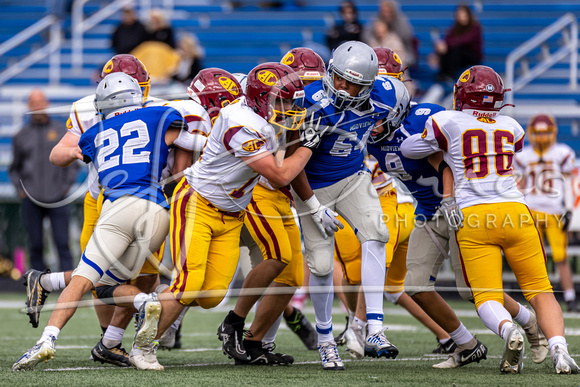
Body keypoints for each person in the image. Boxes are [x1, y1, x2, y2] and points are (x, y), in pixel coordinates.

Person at [131, 62, 320, 371]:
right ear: (261, 99)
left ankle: (156, 304)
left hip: (231, 214)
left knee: (211, 296)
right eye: (281, 101)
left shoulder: (263, 115)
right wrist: (308, 146)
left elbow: (276, 176)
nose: (289, 107)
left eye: (290, 100)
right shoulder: (240, 121)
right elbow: (279, 176)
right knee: (190, 284)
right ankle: (142, 347)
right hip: (198, 203)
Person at [401, 65, 579, 374]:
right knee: (540, 289)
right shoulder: (511, 125)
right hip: (516, 212)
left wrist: (444, 154)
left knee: (485, 295)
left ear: (462, 95)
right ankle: (560, 350)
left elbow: (409, 148)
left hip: (473, 216)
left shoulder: (447, 121)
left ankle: (509, 331)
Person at [12, 72, 189, 372]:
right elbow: (180, 135)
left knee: (85, 279)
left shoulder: (93, 134)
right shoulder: (160, 113)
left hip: (119, 208)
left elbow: (69, 155)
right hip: (159, 213)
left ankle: (47, 340)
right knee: (109, 286)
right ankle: (143, 306)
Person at [288, 41, 402, 371]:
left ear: (368, 85)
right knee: (322, 265)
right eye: (338, 78)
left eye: (351, 83)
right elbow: (293, 168)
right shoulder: (312, 105)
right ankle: (326, 340)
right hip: (311, 186)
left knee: (376, 232)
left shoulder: (385, 96)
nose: (341, 87)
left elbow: (399, 113)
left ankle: (375, 328)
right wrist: (312, 205)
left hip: (353, 177)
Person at [9, 89, 79, 275]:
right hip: (31, 198)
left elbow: (73, 164)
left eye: (41, 102)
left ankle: (68, 285)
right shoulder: (21, 135)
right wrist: (21, 190)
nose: (38, 107)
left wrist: (65, 187)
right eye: (34, 103)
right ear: (28, 106)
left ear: (47, 103)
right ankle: (37, 285)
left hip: (58, 197)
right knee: (36, 243)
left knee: (62, 243)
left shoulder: (60, 130)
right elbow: (14, 168)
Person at [514, 113, 577, 312]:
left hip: (555, 211)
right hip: (532, 210)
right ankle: (537, 299)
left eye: (545, 133)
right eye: (538, 133)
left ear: (553, 133)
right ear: (531, 133)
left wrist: (568, 208)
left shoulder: (562, 152)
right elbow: (520, 185)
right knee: (533, 257)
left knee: (561, 256)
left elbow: (568, 183)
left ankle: (570, 297)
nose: (541, 137)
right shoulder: (524, 155)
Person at [433, 4, 482, 83]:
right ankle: (442, 75)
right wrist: (441, 46)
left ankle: (449, 75)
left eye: (464, 15)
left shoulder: (474, 27)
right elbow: (447, 39)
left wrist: (447, 45)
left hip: (472, 56)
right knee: (447, 50)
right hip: (458, 57)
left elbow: (465, 40)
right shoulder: (454, 28)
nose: (462, 17)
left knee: (456, 50)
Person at [363, 1, 415, 66]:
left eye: (389, 12)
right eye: (384, 11)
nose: (386, 14)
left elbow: (407, 42)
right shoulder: (374, 23)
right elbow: (366, 37)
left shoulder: (402, 25)